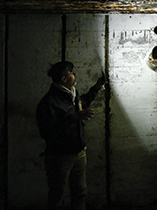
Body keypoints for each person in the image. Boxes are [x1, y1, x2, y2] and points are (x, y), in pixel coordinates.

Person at [36, 61, 106, 210]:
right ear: (63, 78)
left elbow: (84, 102)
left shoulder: (73, 94)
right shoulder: (48, 103)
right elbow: (48, 132)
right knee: (57, 195)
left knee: (80, 192)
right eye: (72, 73)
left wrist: (97, 87)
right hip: (59, 157)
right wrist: (74, 117)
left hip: (79, 152)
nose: (75, 75)